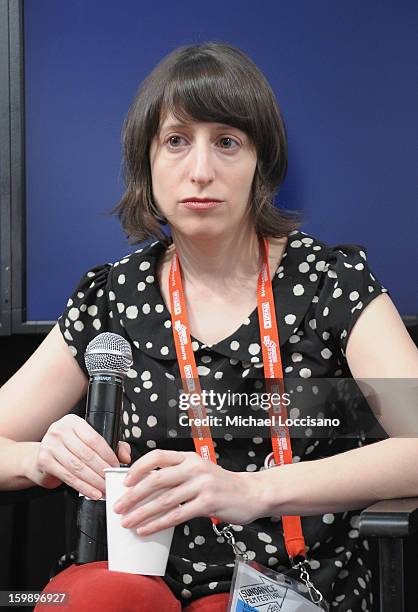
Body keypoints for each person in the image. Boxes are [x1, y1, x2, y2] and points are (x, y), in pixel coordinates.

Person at [0, 42, 417, 612]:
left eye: (227, 142)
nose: (200, 170)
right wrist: (37, 459)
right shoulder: (112, 296)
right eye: (176, 141)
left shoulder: (329, 283)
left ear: (261, 165)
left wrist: (253, 490)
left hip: (291, 585)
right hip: (140, 580)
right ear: (146, 161)